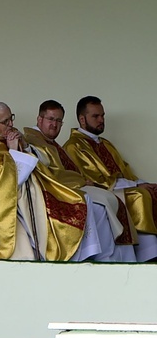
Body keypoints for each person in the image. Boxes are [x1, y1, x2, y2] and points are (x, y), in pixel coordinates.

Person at [0, 102, 104, 261]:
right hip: (10, 206)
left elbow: (39, 164)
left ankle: (81, 254)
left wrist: (24, 146)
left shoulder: (5, 138)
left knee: (80, 200)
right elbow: (5, 186)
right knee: (71, 204)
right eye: (6, 122)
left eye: (11, 118)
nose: (12, 124)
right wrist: (13, 150)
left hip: (30, 195)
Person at [23, 100, 136, 262]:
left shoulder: (50, 142)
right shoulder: (33, 141)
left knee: (109, 198)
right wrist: (81, 181)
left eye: (59, 121)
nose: (54, 125)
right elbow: (50, 174)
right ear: (39, 119)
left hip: (70, 185)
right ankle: (101, 255)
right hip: (52, 192)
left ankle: (118, 257)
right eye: (50, 119)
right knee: (100, 204)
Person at [63, 96, 157, 261]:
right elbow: (96, 180)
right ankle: (148, 254)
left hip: (122, 186)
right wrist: (137, 186)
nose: (101, 120)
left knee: (152, 190)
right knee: (140, 196)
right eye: (96, 116)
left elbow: (124, 170)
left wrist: (141, 183)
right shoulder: (74, 146)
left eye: (103, 116)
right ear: (82, 119)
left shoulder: (105, 143)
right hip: (103, 191)